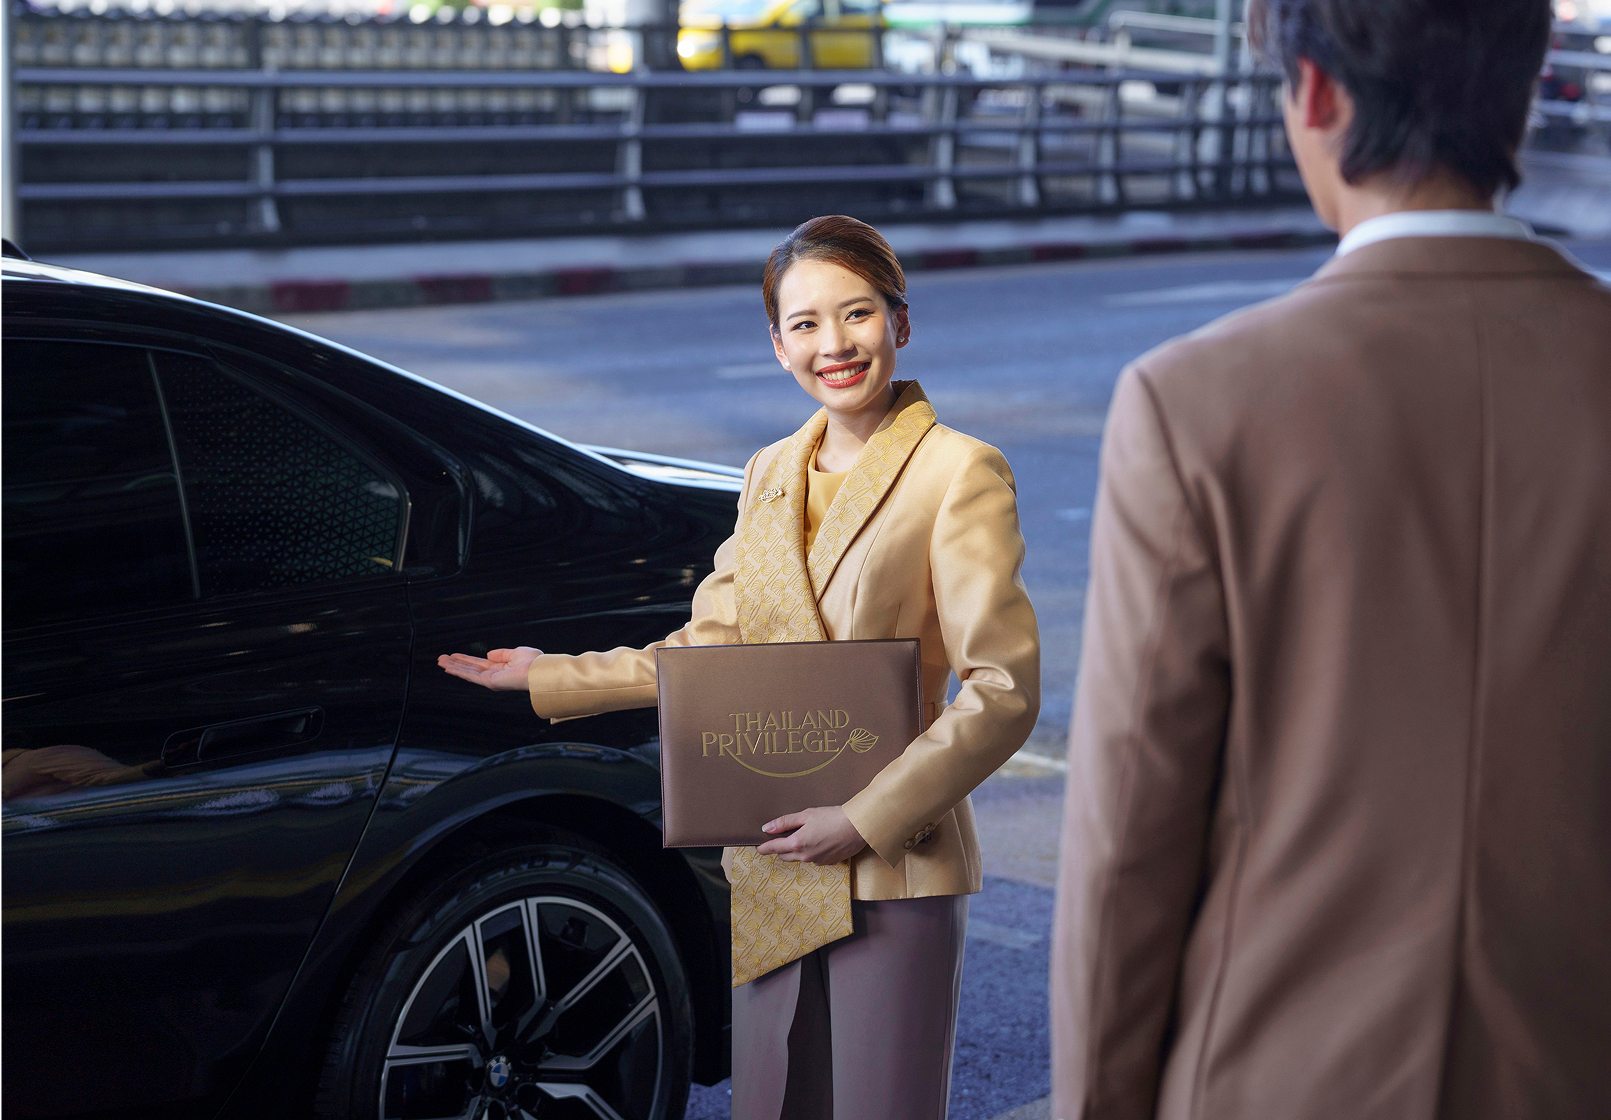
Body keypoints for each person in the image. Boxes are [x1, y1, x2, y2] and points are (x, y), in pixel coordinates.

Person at [1049, 1, 1611, 1118]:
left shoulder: (1197, 403)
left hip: (1274, 1072)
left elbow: (1128, 851)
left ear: (1314, 92)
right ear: (1526, 75)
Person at [440, 215, 1040, 1120]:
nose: (833, 345)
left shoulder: (957, 472)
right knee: (772, 1099)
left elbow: (1001, 690)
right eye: (804, 324)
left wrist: (865, 817)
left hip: (889, 859)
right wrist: (550, 674)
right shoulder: (768, 473)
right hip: (771, 848)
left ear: (899, 323)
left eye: (857, 315)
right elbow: (714, 649)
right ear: (776, 344)